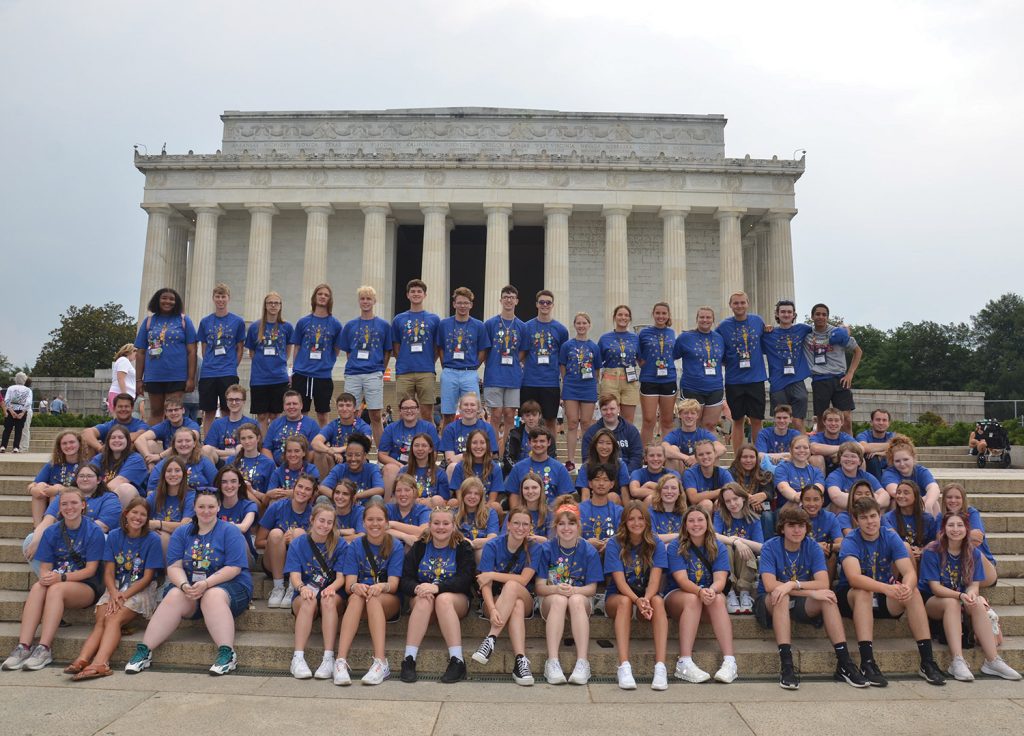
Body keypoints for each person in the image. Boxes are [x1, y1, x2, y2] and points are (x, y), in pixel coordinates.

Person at [124, 489, 252, 676]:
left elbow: (234, 568)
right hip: (192, 588)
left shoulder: (230, 531)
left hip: (231, 587)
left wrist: (207, 583)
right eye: (201, 507)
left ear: (218, 507)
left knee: (212, 595)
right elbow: (174, 567)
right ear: (194, 508)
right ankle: (145, 651)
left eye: (210, 506)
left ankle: (227, 654)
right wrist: (184, 585)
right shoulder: (183, 532)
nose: (206, 511)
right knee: (175, 593)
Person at [755, 504, 868, 690]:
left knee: (828, 597)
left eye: (801, 526)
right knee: (780, 596)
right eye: (791, 525)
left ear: (807, 528)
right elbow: (770, 585)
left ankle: (844, 662)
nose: (797, 530)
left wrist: (793, 584)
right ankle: (787, 664)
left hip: (800, 600)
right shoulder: (770, 546)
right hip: (770, 602)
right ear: (782, 528)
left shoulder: (812, 546)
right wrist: (808, 591)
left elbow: (823, 583)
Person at [836, 497, 946, 686]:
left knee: (913, 593)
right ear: (856, 520)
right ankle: (867, 662)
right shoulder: (851, 541)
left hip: (883, 595)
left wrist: (906, 587)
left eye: (873, 516)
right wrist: (888, 588)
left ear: (880, 516)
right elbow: (854, 578)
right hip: (853, 596)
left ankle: (927, 661)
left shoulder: (890, 535)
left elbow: (909, 572)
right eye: (864, 518)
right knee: (863, 591)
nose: (870, 522)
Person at [2, 487, 105, 671]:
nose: (69, 507)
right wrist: (46, 578)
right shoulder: (52, 532)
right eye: (64, 504)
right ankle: (23, 646)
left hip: (86, 586)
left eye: (74, 503)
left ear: (83, 505)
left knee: (56, 589)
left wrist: (61, 578)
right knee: (37, 587)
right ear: (59, 507)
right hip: (58, 580)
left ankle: (44, 648)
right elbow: (44, 568)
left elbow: (91, 570)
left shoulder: (93, 531)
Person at [65, 498, 163, 680]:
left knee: (113, 618)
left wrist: (123, 596)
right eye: (135, 512)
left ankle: (101, 663)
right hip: (116, 586)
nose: (138, 517)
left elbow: (148, 577)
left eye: (143, 514)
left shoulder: (152, 540)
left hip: (139, 587)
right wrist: (113, 593)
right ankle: (83, 659)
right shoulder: (115, 536)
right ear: (126, 513)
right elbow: (109, 571)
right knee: (101, 618)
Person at [920, 512, 1021, 681]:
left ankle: (992, 660)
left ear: (966, 529)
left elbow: (974, 585)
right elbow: (935, 588)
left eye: (960, 525)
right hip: (933, 602)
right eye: (951, 525)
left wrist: (972, 595)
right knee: (951, 603)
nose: (955, 529)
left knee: (977, 603)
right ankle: (957, 661)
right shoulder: (933, 550)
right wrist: (960, 595)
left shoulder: (972, 552)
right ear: (944, 529)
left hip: (959, 597)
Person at [399, 506, 476, 684]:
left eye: (446, 523)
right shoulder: (420, 547)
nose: (441, 527)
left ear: (453, 525)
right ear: (429, 525)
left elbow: (465, 580)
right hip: (424, 602)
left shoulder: (463, 547)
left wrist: (438, 587)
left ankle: (457, 661)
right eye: (436, 523)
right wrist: (418, 588)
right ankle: (409, 659)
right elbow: (405, 579)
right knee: (424, 599)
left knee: (443, 599)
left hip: (455, 602)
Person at [664, 505, 738, 684]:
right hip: (677, 597)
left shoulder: (717, 546)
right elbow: (681, 580)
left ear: (707, 523)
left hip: (706, 597)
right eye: (691, 520)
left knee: (719, 599)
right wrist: (699, 591)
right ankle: (685, 661)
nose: (696, 524)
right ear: (685, 524)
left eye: (700, 520)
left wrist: (712, 591)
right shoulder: (677, 545)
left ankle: (729, 661)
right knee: (692, 599)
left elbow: (720, 579)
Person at [335, 498, 404, 685]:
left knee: (373, 597)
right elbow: (349, 583)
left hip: (387, 599)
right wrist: (356, 586)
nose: (375, 524)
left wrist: (380, 586)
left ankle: (381, 662)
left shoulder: (395, 545)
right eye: (370, 520)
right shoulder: (356, 545)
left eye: (379, 519)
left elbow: (394, 584)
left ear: (387, 523)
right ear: (363, 523)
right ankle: (340, 661)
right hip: (361, 599)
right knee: (357, 597)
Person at [534, 499, 603, 685]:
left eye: (571, 523)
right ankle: (553, 662)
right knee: (559, 599)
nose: (566, 528)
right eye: (561, 524)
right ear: (555, 527)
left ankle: (582, 662)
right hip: (551, 600)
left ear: (578, 526)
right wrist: (556, 589)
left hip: (580, 598)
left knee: (576, 600)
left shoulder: (588, 550)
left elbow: (592, 588)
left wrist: (574, 590)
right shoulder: (546, 549)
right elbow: (539, 587)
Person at [604, 501, 670, 690]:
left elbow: (655, 581)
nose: (636, 523)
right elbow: (620, 582)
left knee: (657, 600)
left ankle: (660, 667)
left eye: (640, 518)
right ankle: (624, 666)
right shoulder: (614, 543)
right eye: (631, 519)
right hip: (618, 598)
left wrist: (645, 599)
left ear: (647, 521)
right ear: (624, 522)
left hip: (646, 598)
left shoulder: (655, 542)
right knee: (625, 601)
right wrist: (637, 600)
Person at [471, 507, 540, 686]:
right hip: (495, 600)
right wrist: (492, 609)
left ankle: (490, 639)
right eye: (516, 523)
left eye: (525, 524)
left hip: (525, 597)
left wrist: (493, 575)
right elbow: (484, 584)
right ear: (508, 525)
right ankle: (521, 661)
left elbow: (524, 580)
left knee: (512, 587)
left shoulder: (534, 547)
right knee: (514, 605)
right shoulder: (493, 545)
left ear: (530, 527)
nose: (520, 527)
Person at [23, 465, 121, 577]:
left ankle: (86, 580)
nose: (85, 479)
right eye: (81, 476)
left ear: (99, 480)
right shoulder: (64, 496)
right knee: (31, 540)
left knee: (103, 537)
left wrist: (73, 537)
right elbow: (48, 521)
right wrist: (36, 541)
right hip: (65, 538)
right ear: (76, 479)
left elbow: (102, 527)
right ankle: (49, 578)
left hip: (92, 541)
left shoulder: (109, 498)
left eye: (89, 476)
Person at [285, 502, 345, 680]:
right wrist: (302, 588)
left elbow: (341, 578)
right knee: (308, 601)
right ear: (312, 520)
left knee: (327, 600)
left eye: (329, 522)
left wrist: (331, 588)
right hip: (306, 592)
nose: (324, 526)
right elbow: (294, 576)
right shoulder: (298, 543)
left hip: (331, 593)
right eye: (321, 520)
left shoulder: (339, 544)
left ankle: (328, 658)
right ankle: (298, 657)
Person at [134, 288, 198, 425]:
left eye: (171, 299)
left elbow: (192, 351)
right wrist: (138, 379)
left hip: (177, 375)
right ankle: (151, 444)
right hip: (154, 375)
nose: (167, 301)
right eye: (164, 298)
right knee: (156, 413)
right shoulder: (149, 321)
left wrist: (191, 378)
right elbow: (140, 352)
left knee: (173, 412)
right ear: (157, 300)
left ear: (176, 302)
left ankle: (174, 444)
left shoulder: (184, 320)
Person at [716, 292, 768, 456]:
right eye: (736, 303)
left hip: (756, 378)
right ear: (730, 305)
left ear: (747, 303)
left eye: (742, 303)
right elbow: (717, 349)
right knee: (737, 420)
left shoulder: (757, 321)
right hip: (734, 380)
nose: (739, 306)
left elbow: (766, 337)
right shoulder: (724, 326)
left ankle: (758, 457)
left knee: (757, 420)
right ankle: (738, 458)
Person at [341, 285, 392, 448]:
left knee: (375, 415)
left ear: (374, 301)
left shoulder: (383, 325)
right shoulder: (350, 325)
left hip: (373, 373)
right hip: (353, 373)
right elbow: (349, 351)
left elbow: (387, 351)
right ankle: (350, 450)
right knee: (350, 414)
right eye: (362, 298)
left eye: (368, 298)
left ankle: (382, 453)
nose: (365, 301)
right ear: (359, 301)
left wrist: (380, 369)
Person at [196, 283, 247, 437]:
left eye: (223, 297)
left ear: (228, 298)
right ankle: (208, 441)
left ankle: (228, 440)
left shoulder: (237, 321)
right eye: (217, 297)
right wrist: (210, 362)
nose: (220, 300)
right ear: (213, 298)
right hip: (209, 373)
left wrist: (232, 365)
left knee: (228, 409)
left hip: (228, 372)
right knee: (209, 411)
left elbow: (240, 347)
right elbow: (204, 347)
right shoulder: (205, 322)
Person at [257, 472, 315, 607]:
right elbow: (258, 542)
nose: (302, 491)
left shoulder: (313, 514)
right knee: (276, 533)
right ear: (293, 489)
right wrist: (281, 541)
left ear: (312, 494)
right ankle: (278, 588)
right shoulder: (277, 507)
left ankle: (292, 587)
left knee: (300, 534)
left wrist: (295, 541)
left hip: (300, 567)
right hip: (274, 563)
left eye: (307, 489)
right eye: (300, 487)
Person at [290, 283, 344, 425]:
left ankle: (323, 443)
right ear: (314, 297)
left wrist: (328, 362)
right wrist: (294, 370)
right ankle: (300, 442)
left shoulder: (336, 324)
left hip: (323, 375)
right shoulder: (303, 322)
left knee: (323, 414)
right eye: (320, 294)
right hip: (302, 374)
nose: (322, 297)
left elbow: (337, 349)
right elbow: (297, 347)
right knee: (301, 413)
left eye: (326, 295)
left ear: (330, 300)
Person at [483, 285, 527, 455]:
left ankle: (507, 452)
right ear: (500, 300)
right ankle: (493, 452)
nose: (508, 300)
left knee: (510, 415)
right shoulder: (490, 324)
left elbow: (522, 352)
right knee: (495, 415)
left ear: (516, 301)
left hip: (513, 376)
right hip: (494, 375)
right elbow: (486, 350)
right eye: (505, 297)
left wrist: (514, 361)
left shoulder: (521, 326)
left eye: (512, 297)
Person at [437, 287, 490, 429]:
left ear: (471, 305)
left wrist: (474, 366)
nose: (462, 306)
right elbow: (440, 347)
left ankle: (474, 444)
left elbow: (483, 350)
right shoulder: (444, 324)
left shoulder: (479, 325)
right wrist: (445, 365)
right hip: (449, 371)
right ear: (454, 304)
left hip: (469, 373)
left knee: (474, 411)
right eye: (459, 303)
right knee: (447, 413)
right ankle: (446, 445)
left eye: (466, 303)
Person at [519, 290, 569, 439]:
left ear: (552, 305)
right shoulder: (527, 327)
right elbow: (522, 353)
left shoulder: (561, 330)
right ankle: (525, 452)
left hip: (550, 383)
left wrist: (564, 381)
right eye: (542, 302)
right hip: (529, 381)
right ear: (536, 304)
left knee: (550, 420)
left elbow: (563, 359)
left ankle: (551, 453)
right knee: (527, 420)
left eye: (548, 302)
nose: (545, 305)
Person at [806, 303, 862, 434]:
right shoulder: (806, 334)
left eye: (824, 315)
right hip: (820, 379)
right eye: (818, 314)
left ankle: (850, 451)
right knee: (821, 420)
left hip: (840, 379)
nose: (821, 317)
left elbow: (858, 351)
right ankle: (821, 449)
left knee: (846, 419)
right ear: (812, 316)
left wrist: (850, 374)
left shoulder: (838, 333)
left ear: (828, 317)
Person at [391, 279, 440, 424]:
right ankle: (403, 445)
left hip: (426, 371)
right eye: (413, 291)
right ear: (407, 295)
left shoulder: (434, 319)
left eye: (419, 291)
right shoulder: (399, 319)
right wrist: (403, 360)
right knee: (404, 413)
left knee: (426, 413)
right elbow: (396, 345)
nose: (416, 294)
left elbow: (437, 346)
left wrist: (430, 360)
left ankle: (428, 446)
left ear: (425, 295)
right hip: (404, 372)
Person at [760, 300, 812, 431]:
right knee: (780, 420)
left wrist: (842, 330)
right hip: (778, 381)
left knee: (798, 420)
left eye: (789, 312)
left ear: (794, 315)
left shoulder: (802, 329)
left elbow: (822, 329)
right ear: (777, 314)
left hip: (797, 379)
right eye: (783, 312)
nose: (786, 314)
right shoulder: (768, 334)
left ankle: (802, 448)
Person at [245, 292, 293, 433]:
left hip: (278, 377)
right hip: (260, 379)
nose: (273, 306)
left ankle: (274, 444)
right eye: (270, 303)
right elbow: (252, 352)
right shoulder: (255, 327)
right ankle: (263, 445)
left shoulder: (287, 327)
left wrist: (279, 362)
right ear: (265, 306)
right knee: (262, 415)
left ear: (280, 306)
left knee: (276, 415)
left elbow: (288, 350)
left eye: (276, 303)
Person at [674, 306, 726, 433]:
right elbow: (672, 356)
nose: (705, 320)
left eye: (708, 317)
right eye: (702, 317)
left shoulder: (719, 338)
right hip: (692, 387)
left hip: (715, 387)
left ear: (713, 320)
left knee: (710, 425)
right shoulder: (685, 337)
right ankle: (690, 452)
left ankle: (706, 453)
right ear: (697, 319)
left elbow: (725, 360)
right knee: (692, 425)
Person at [713, 483, 764, 614]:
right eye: (728, 501)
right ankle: (729, 592)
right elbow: (714, 536)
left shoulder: (753, 518)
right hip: (726, 562)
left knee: (745, 547)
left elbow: (760, 547)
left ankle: (744, 593)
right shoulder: (720, 516)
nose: (732, 504)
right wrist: (735, 541)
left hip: (745, 564)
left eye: (735, 499)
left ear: (743, 498)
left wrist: (739, 541)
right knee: (726, 547)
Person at [560, 312, 601, 470]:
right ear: (574, 325)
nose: (581, 326)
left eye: (584, 323)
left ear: (589, 325)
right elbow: (562, 365)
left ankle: (587, 458)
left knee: (586, 423)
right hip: (571, 386)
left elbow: (597, 370)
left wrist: (592, 382)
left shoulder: (594, 346)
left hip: (588, 386)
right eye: (578, 323)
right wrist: (568, 379)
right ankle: (570, 460)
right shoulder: (567, 345)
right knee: (571, 423)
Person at [940, 482, 998, 588]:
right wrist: (964, 535)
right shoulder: (941, 516)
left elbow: (977, 538)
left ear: (963, 500)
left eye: (957, 497)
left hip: (982, 565)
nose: (953, 500)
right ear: (944, 499)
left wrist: (951, 537)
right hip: (956, 566)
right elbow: (938, 541)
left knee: (969, 548)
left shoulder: (971, 513)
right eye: (949, 497)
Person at [377, 396, 438, 496]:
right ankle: (388, 506)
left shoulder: (428, 427)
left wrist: (415, 465)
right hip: (397, 465)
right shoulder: (391, 428)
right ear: (400, 411)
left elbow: (434, 453)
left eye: (413, 408)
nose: (409, 411)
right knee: (390, 469)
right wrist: (401, 466)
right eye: (405, 408)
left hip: (421, 465)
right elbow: (382, 455)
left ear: (418, 410)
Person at [637, 302, 677, 446]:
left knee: (667, 420)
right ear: (653, 314)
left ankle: (667, 454)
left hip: (669, 379)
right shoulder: (644, 333)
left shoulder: (672, 333)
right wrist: (642, 364)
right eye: (658, 313)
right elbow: (638, 353)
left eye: (664, 313)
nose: (661, 316)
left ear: (668, 315)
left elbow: (676, 354)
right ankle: (644, 455)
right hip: (649, 379)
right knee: (649, 420)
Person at [505, 427, 575, 509]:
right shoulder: (518, 468)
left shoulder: (559, 468)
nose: (538, 445)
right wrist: (517, 515)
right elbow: (514, 496)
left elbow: (565, 498)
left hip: (551, 515)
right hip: (525, 516)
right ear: (529, 442)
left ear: (549, 442)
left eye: (542, 441)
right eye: (535, 441)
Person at [311, 392, 373, 478]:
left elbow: (367, 441)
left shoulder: (362, 425)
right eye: (341, 405)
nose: (344, 408)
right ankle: (323, 485)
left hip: (356, 459)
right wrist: (331, 451)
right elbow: (315, 442)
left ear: (354, 408)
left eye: (348, 405)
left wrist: (340, 449)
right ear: (337, 408)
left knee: (361, 456)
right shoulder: (333, 425)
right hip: (336, 461)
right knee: (319, 453)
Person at [598, 304, 641, 425]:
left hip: (630, 380)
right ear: (614, 317)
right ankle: (610, 442)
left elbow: (641, 359)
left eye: (626, 315)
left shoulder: (635, 338)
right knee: (609, 417)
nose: (623, 317)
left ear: (630, 319)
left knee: (628, 420)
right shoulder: (604, 338)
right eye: (620, 315)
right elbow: (597, 361)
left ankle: (625, 442)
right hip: (610, 379)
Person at [28, 430, 83, 525]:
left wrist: (60, 490)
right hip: (49, 498)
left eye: (72, 442)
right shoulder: (53, 464)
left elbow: (86, 490)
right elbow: (34, 484)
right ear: (60, 447)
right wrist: (32, 489)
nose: (68, 446)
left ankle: (54, 528)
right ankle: (37, 529)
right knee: (40, 486)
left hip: (72, 500)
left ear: (79, 444)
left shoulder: (86, 465)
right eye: (64, 443)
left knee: (56, 494)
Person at [439, 392, 499, 479]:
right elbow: (450, 459)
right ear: (459, 408)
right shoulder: (450, 428)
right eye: (465, 405)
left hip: (481, 466)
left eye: (472, 405)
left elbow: (488, 456)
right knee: (452, 467)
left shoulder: (487, 428)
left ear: (478, 409)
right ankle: (453, 492)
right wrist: (474, 456)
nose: (469, 408)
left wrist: (461, 456)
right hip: (459, 468)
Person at [144, 427, 218, 494]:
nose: (183, 444)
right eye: (179, 441)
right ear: (174, 444)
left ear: (194, 443)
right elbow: (151, 491)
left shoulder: (204, 462)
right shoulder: (164, 464)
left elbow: (217, 485)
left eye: (188, 441)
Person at [146, 456, 195, 555]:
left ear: (184, 474)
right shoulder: (155, 494)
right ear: (163, 474)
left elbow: (184, 526)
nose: (173, 474)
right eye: (169, 471)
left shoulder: (191, 495)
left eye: (177, 470)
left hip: (180, 541)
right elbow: (139, 513)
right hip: (154, 537)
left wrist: (158, 524)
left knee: (163, 537)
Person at [883, 480, 937, 570]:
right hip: (899, 560)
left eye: (906, 493)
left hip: (922, 558)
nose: (901, 496)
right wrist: (910, 552)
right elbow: (892, 544)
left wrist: (922, 550)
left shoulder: (927, 519)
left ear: (915, 496)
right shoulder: (887, 518)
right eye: (898, 492)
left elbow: (933, 542)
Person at [882, 434, 942, 516]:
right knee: (895, 502)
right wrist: (919, 502)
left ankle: (934, 528)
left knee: (934, 503)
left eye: (906, 459)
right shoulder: (889, 473)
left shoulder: (921, 471)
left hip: (921, 506)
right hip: (901, 507)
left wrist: (928, 504)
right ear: (892, 462)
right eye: (897, 461)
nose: (902, 464)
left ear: (913, 458)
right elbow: (896, 492)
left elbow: (934, 488)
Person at [90, 426, 150, 507]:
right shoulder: (100, 458)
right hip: (102, 496)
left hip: (130, 503)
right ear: (108, 441)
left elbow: (120, 481)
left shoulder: (136, 459)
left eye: (121, 437)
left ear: (127, 441)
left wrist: (96, 498)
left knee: (125, 489)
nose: (117, 440)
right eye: (113, 438)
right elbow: (88, 475)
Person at [580, 395, 644, 471]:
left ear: (618, 409)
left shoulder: (631, 430)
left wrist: (626, 475)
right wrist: (602, 476)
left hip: (627, 475)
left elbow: (637, 457)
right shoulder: (591, 432)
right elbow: (587, 458)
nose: (608, 412)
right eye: (604, 409)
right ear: (600, 410)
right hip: (600, 476)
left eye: (612, 409)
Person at [662, 398, 725, 474]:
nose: (689, 416)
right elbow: (663, 448)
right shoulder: (674, 434)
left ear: (697, 416)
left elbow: (721, 448)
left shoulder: (703, 433)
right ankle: (674, 483)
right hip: (680, 470)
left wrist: (697, 458)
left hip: (700, 469)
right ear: (680, 415)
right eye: (686, 413)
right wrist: (686, 458)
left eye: (692, 413)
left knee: (713, 453)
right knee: (673, 449)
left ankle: (712, 483)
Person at [134, 399, 200, 468]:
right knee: (149, 444)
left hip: (190, 457)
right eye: (170, 410)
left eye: (176, 409)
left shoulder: (191, 425)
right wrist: (149, 459)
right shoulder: (164, 425)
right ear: (165, 413)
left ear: (183, 410)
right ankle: (153, 471)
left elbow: (186, 444)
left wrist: (160, 456)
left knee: (206, 449)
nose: (173, 413)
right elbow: (139, 440)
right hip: (170, 458)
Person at [449, 429, 505, 510]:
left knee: (496, 506)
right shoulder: (460, 467)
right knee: (453, 502)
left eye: (482, 443)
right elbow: (459, 497)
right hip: (464, 507)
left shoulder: (495, 468)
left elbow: (492, 500)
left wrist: (481, 512)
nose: (478, 446)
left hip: (485, 508)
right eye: (474, 443)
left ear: (487, 445)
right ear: (469, 445)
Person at [320, 434, 385, 503]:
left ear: (364, 456)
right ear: (345, 455)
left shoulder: (372, 468)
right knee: (322, 499)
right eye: (350, 455)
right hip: (341, 508)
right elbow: (322, 488)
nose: (353, 459)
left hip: (365, 510)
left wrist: (356, 496)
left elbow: (380, 489)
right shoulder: (340, 468)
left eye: (357, 455)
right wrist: (341, 498)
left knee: (377, 498)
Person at [202, 385, 257, 465]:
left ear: (244, 402)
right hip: (220, 463)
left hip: (243, 463)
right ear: (227, 402)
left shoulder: (252, 424)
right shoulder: (217, 424)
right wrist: (233, 453)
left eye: (237, 399)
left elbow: (254, 449)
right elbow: (209, 449)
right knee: (205, 449)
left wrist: (231, 453)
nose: (234, 403)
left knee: (241, 448)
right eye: (230, 400)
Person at [81, 393, 149, 459]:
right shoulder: (109, 425)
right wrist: (100, 448)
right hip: (108, 461)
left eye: (126, 406)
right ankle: (89, 468)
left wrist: (112, 444)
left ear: (132, 408)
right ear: (114, 408)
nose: (123, 409)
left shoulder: (140, 424)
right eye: (120, 406)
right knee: (89, 444)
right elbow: (86, 432)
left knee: (134, 444)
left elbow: (140, 433)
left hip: (132, 461)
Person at [800, 484, 844, 582]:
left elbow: (841, 544)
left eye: (816, 499)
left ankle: (827, 589)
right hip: (801, 555)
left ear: (822, 500)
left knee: (830, 555)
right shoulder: (795, 517)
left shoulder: (830, 517)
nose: (812, 504)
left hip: (826, 556)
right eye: (807, 499)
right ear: (801, 501)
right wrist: (815, 546)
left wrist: (828, 546)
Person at [825, 441, 885, 510]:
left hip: (865, 512)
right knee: (837, 506)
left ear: (860, 461)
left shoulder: (866, 476)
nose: (849, 459)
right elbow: (836, 496)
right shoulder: (834, 476)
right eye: (845, 456)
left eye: (853, 456)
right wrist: (866, 501)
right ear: (840, 459)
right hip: (844, 514)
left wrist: (872, 505)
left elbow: (885, 496)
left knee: (880, 506)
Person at [265, 390, 320, 465]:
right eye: (288, 404)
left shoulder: (312, 424)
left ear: (301, 405)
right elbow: (266, 449)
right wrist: (274, 468)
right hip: (277, 470)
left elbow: (313, 451)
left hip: (303, 470)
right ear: (283, 406)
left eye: (294, 404)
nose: (291, 407)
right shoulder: (275, 424)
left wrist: (299, 467)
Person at [575, 428, 630, 502]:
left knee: (612, 496)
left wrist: (628, 512)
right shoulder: (586, 466)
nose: (604, 447)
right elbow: (585, 494)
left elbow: (625, 493)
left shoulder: (620, 465)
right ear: (595, 445)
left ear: (613, 446)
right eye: (601, 442)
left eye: (608, 443)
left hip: (615, 505)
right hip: (594, 504)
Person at [578, 464, 623, 554]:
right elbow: (569, 537)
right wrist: (586, 543)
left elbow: (625, 537)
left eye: (605, 480)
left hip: (611, 558)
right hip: (584, 557)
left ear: (612, 484)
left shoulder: (619, 511)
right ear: (590, 483)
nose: (601, 483)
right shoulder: (578, 510)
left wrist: (612, 543)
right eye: (597, 479)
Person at [265, 436, 320, 509]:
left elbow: (316, 492)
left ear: (304, 453)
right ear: (285, 453)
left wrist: (294, 493)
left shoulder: (311, 469)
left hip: (306, 507)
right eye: (289, 451)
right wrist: (270, 494)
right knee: (273, 501)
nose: (293, 455)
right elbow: (269, 494)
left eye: (297, 451)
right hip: (284, 507)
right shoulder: (278, 472)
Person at [773, 435, 824, 510]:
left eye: (805, 448)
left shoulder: (816, 471)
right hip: (787, 509)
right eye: (797, 448)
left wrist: (806, 501)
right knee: (795, 505)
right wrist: (799, 498)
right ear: (790, 450)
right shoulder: (782, 468)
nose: (802, 450)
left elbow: (819, 489)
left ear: (809, 450)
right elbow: (783, 488)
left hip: (811, 507)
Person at [399, 433, 449, 507]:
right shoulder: (403, 471)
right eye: (416, 445)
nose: (420, 449)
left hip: (432, 511)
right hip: (409, 508)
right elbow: (397, 495)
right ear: (412, 448)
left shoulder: (440, 473)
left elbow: (444, 501)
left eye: (424, 446)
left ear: (430, 449)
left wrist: (426, 502)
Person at [683, 439, 734, 510]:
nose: (705, 457)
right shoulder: (690, 473)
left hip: (717, 508)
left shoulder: (723, 473)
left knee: (719, 503)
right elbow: (693, 498)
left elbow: (734, 491)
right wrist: (720, 491)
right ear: (696, 458)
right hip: (696, 513)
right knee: (707, 504)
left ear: (715, 454)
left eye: (708, 453)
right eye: (701, 454)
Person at [727, 443, 773, 519]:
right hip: (737, 506)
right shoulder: (730, 473)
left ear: (756, 459)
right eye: (745, 457)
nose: (748, 460)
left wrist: (764, 495)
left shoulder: (765, 474)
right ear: (739, 458)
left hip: (760, 507)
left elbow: (770, 492)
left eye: (752, 457)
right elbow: (729, 490)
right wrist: (750, 499)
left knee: (767, 516)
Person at [386, 473, 431, 546]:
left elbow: (423, 532)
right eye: (398, 490)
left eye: (407, 490)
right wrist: (404, 536)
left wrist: (392, 524)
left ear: (415, 492)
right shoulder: (387, 509)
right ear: (394, 494)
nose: (403, 494)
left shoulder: (423, 510)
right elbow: (379, 529)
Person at [808, 407, 856, 474]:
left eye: (836, 420)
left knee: (860, 460)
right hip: (821, 467)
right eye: (830, 420)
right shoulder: (817, 437)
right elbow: (814, 449)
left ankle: (858, 483)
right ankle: (819, 484)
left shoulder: (845, 437)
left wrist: (837, 455)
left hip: (841, 468)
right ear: (824, 422)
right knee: (816, 458)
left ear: (841, 422)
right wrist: (841, 449)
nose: (833, 423)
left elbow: (860, 448)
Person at [501, 400, 543, 474]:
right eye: (527, 415)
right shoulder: (514, 434)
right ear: (522, 417)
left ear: (539, 416)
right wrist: (521, 472)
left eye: (534, 415)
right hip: (517, 473)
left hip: (540, 474)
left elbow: (551, 457)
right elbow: (508, 458)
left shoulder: (546, 435)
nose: (531, 418)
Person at [857, 409, 894, 482]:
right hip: (870, 470)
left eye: (884, 420)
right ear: (871, 422)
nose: (881, 423)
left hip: (890, 469)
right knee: (872, 458)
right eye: (878, 420)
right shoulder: (864, 435)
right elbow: (863, 447)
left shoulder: (892, 436)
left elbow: (901, 448)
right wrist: (890, 446)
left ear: (888, 423)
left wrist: (881, 453)